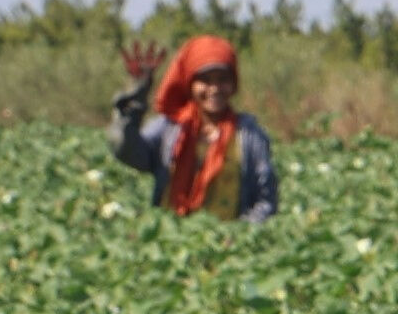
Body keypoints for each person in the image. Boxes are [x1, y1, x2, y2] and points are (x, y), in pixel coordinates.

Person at [110, 34, 281, 219]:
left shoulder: (249, 135)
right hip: (172, 238)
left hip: (229, 242)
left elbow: (266, 200)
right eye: (205, 81)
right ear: (190, 84)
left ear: (233, 84)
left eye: (223, 79)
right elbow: (129, 153)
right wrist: (132, 109)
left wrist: (241, 236)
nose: (214, 89)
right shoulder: (169, 128)